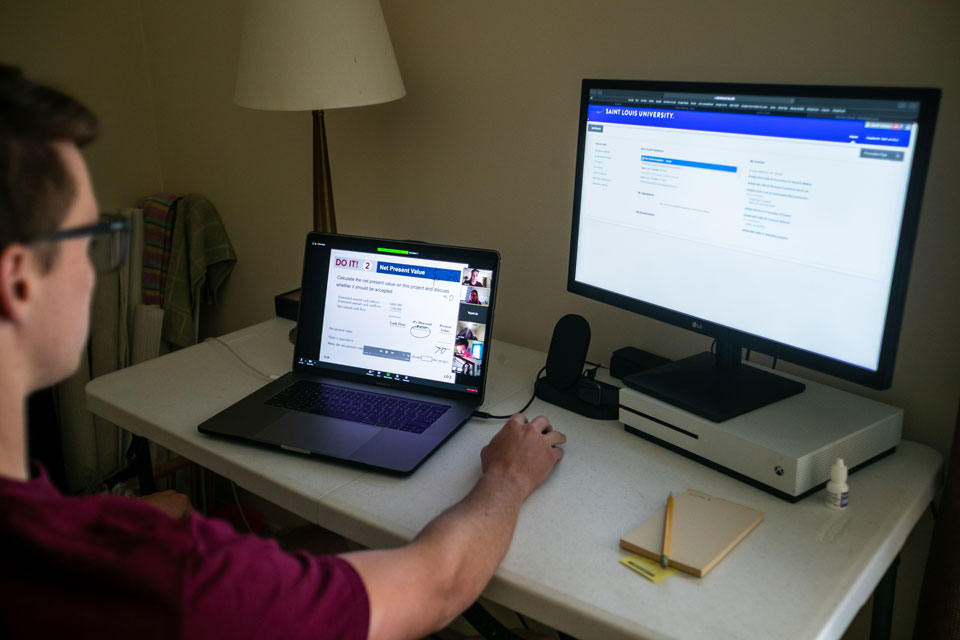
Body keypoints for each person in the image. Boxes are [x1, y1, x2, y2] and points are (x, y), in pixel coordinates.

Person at [0, 65, 566, 639]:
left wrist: (116, 520)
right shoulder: (177, 582)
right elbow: (436, 586)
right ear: (19, 282)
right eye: (91, 239)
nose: (97, 271)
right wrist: (508, 479)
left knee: (321, 540)